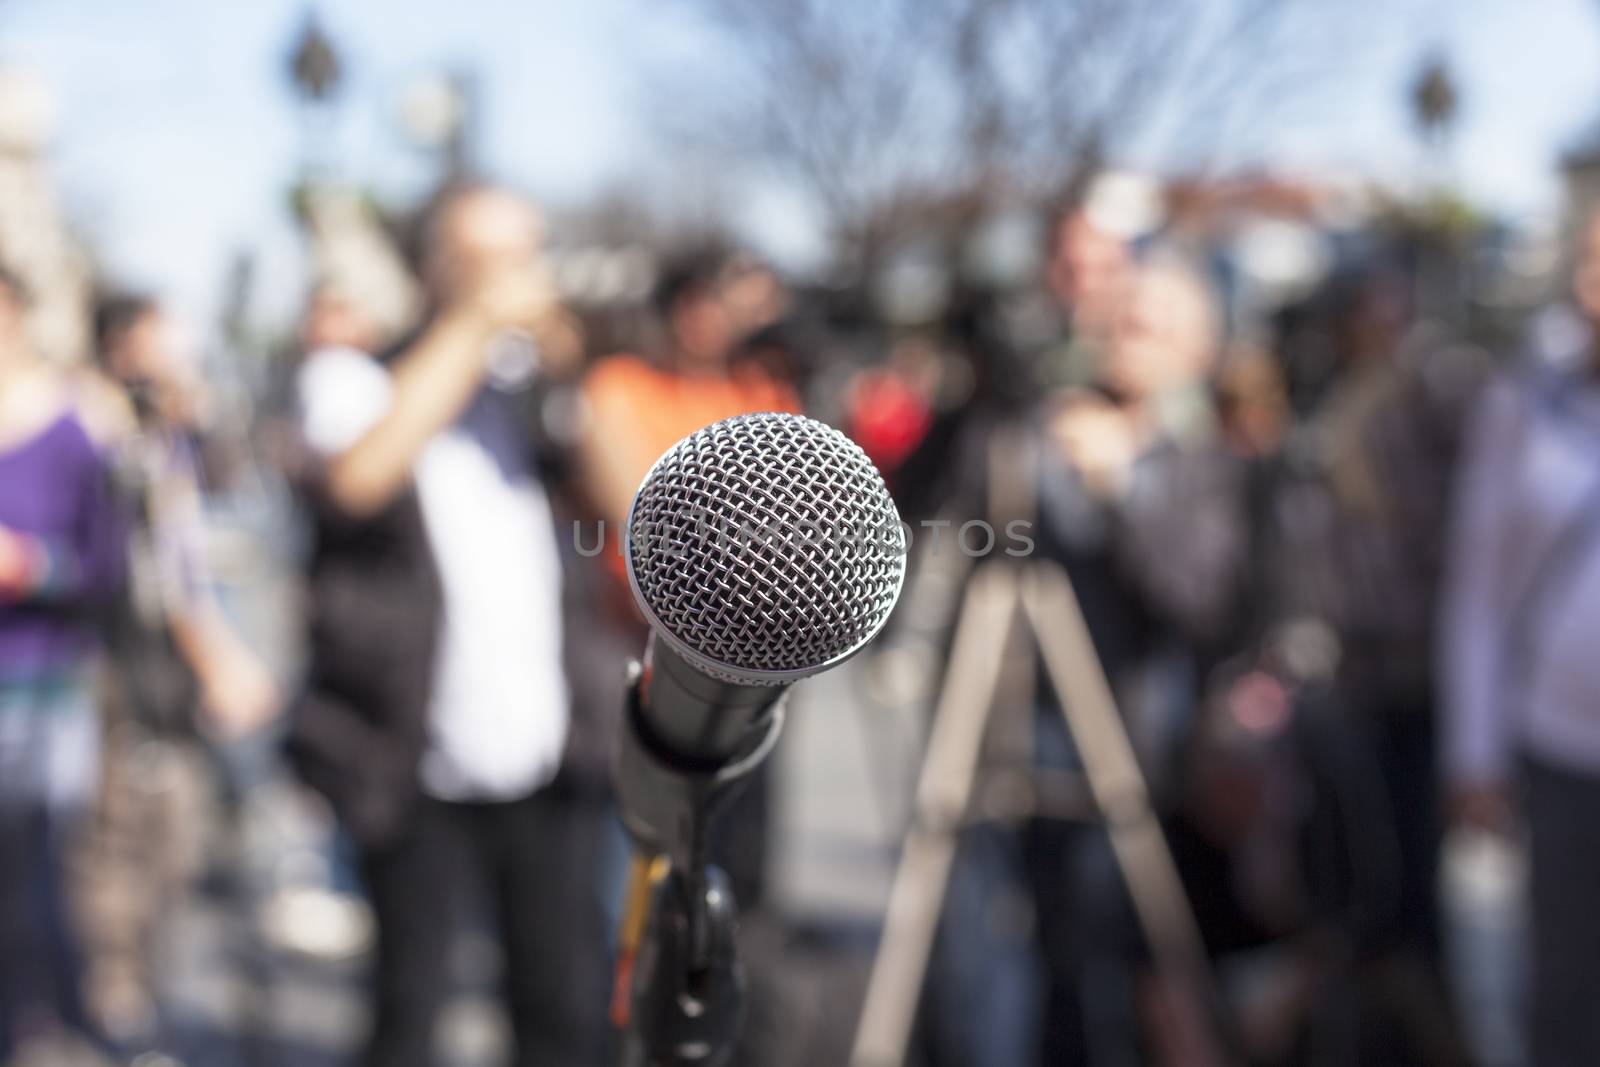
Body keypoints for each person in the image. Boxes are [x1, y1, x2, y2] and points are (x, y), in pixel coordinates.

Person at [287, 182, 616, 1067]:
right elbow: (358, 478)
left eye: (526, 251)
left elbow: (625, 501)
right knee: (409, 1011)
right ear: (438, 266)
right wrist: (472, 325)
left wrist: (570, 368)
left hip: (549, 753)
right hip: (411, 755)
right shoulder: (358, 373)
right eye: (487, 257)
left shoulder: (536, 387)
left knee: (565, 1007)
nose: (515, 275)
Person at [1442, 205, 1600, 1067]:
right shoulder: (1523, 403)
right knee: (1566, 987)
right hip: (1559, 745)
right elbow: (1477, 593)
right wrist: (1475, 752)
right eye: (1587, 262)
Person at [0, 267, 127, 1062]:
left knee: (34, 875)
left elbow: (106, 567)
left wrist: (30, 566)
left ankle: (35, 1018)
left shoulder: (74, 431)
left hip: (41, 688)